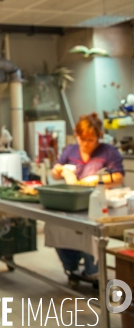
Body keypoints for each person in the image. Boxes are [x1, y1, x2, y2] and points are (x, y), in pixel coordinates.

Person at [47, 112, 125, 282]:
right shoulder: (70, 150)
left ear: (98, 137)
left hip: (96, 203)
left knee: (89, 232)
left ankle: (93, 272)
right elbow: (55, 174)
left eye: (90, 140)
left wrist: (98, 179)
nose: (86, 144)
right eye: (82, 139)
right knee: (56, 227)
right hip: (72, 203)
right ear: (77, 136)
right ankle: (71, 267)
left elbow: (118, 177)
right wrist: (59, 170)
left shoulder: (108, 152)